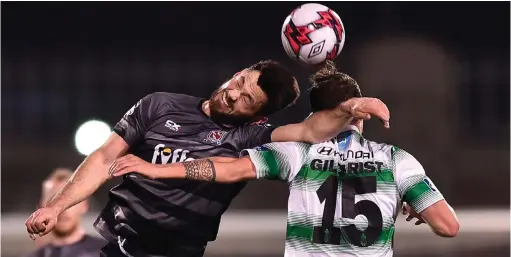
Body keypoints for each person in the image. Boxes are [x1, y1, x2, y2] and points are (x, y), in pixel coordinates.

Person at [26, 60, 390, 257]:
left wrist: (350, 107)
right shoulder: (158, 105)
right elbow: (104, 156)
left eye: (246, 99)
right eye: (239, 81)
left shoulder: (249, 136)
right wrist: (56, 207)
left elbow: (309, 131)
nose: (233, 94)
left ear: (257, 117)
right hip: (121, 247)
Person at [110, 61, 459, 257]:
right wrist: (410, 199)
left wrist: (154, 168)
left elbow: (227, 169)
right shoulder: (397, 161)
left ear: (319, 115)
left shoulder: (295, 153)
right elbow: (448, 227)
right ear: (361, 117)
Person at [25, 168, 105, 257]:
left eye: (70, 202)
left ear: (84, 205)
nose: (62, 209)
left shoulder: (107, 253)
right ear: (41, 207)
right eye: (53, 200)